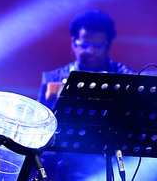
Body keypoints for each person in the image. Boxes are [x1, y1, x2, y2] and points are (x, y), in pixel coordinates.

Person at [37, 10, 134, 181]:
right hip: (67, 169)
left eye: (97, 46)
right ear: (73, 42)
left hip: (115, 166)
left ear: (108, 45)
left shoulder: (126, 78)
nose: (90, 51)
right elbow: (39, 130)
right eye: (84, 44)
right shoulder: (54, 79)